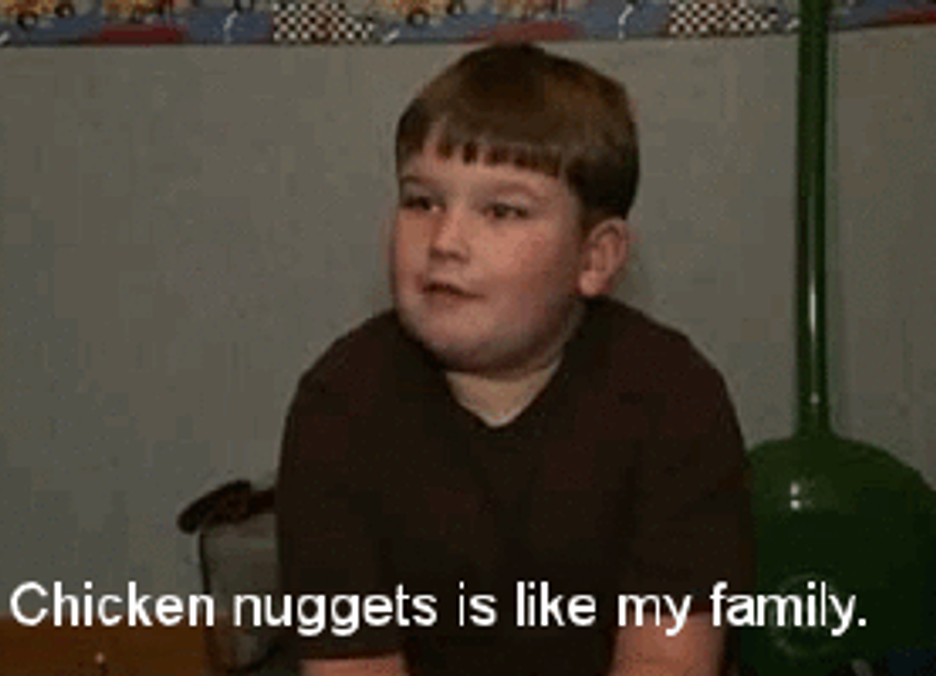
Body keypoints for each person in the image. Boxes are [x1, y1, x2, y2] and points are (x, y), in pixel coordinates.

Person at [275, 42, 754, 676]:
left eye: (502, 211)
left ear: (594, 258)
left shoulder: (675, 400)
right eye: (422, 202)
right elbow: (353, 668)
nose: (445, 241)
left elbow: (667, 662)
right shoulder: (340, 406)